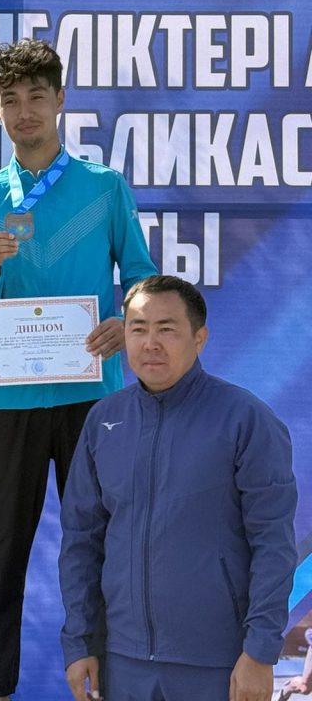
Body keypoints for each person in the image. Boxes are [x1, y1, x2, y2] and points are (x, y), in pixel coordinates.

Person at [0, 38, 156, 701]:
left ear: (60, 100)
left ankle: (107, 684)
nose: (25, 112)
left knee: (100, 549)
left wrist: (128, 323)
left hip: (92, 397)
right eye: (10, 100)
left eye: (36, 97)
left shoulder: (104, 186)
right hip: (9, 402)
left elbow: (141, 275)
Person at [60, 274, 298, 701]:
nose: (151, 343)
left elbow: (274, 543)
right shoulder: (104, 420)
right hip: (123, 662)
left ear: (199, 338)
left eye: (167, 329)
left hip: (220, 662)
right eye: (138, 329)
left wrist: (259, 652)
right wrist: (80, 643)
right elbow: (82, 540)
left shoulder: (246, 419)